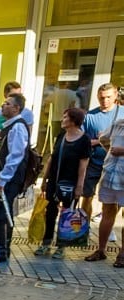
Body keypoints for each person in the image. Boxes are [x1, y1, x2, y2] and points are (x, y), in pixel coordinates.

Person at [38, 107, 90, 258]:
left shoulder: (84, 140)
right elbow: (52, 158)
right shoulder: (61, 135)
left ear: (74, 121)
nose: (62, 119)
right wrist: (45, 178)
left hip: (71, 182)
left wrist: (79, 186)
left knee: (66, 214)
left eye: (65, 117)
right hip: (55, 180)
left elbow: (83, 165)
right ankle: (46, 243)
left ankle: (61, 246)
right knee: (50, 213)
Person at [0, 93, 30, 263]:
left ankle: (1, 250)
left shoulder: (18, 127)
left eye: (7, 103)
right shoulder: (8, 125)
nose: (3, 106)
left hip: (9, 178)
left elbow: (16, 155)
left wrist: (4, 179)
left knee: (0, 212)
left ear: (16, 108)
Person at [85, 117, 124, 267]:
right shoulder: (118, 123)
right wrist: (110, 151)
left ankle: (122, 254)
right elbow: (103, 139)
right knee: (107, 211)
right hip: (110, 174)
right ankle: (101, 250)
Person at [82, 84, 121, 219]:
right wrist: (100, 141)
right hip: (94, 162)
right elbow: (82, 140)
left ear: (116, 95)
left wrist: (103, 139)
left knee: (113, 200)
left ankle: (107, 224)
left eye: (108, 97)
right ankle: (84, 227)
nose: (105, 101)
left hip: (117, 164)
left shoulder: (122, 113)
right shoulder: (90, 116)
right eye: (101, 98)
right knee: (87, 195)